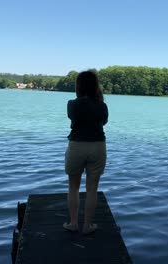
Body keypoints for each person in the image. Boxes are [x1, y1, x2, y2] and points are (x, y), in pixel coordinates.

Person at [63, 70, 108, 235]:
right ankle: (87, 226)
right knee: (92, 189)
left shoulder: (72, 104)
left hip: (77, 146)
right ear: (95, 86)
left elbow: (72, 118)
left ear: (78, 86)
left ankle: (73, 223)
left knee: (73, 187)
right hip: (97, 146)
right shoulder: (102, 106)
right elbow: (103, 122)